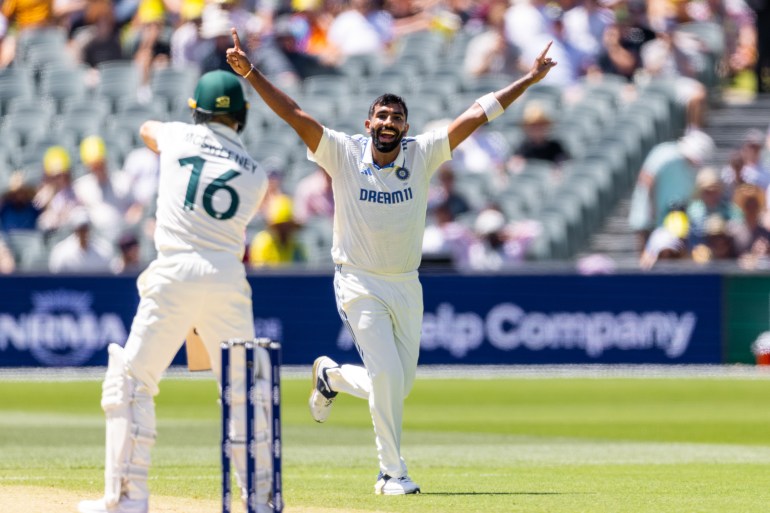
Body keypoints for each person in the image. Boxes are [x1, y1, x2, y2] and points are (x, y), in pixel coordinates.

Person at [226, 27, 556, 495]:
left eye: (396, 118)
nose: (388, 123)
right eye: (381, 116)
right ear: (367, 124)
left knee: (396, 388)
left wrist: (527, 79)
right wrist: (251, 73)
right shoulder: (342, 153)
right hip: (357, 280)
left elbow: (477, 114)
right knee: (385, 376)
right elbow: (294, 113)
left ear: (405, 126)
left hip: (406, 283)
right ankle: (390, 473)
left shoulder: (420, 154)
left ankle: (330, 376)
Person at [77, 70, 273, 513]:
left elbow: (146, 129)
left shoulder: (177, 136)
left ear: (196, 111)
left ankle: (128, 499)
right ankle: (260, 499)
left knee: (130, 381)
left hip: (175, 270)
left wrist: (179, 133)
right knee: (243, 388)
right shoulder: (257, 176)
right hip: (227, 278)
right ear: (241, 116)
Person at [48, 207, 115, 274]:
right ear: (74, 229)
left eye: (85, 228)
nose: (83, 232)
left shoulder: (104, 250)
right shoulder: (60, 252)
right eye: (80, 229)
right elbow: (56, 278)